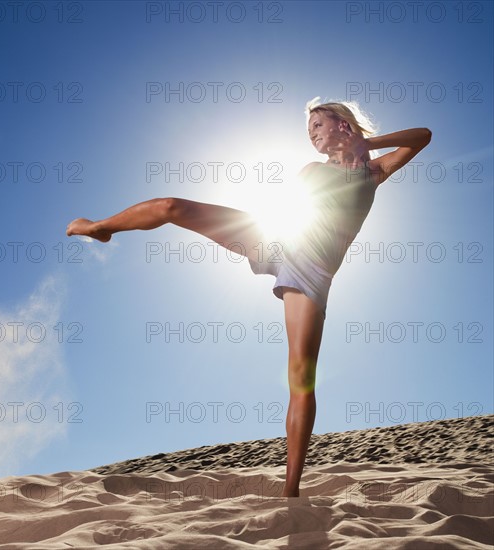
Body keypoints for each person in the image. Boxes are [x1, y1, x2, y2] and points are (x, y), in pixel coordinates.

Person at [66, 98, 432, 497]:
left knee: (301, 378)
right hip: (273, 238)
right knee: (173, 206)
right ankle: (102, 227)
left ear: (342, 125)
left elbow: (422, 137)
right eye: (308, 130)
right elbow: (292, 209)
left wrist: (369, 141)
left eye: (317, 125)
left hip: (310, 272)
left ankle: (291, 490)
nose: (311, 135)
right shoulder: (312, 170)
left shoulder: (373, 170)